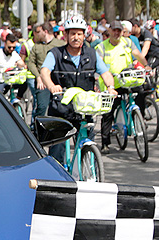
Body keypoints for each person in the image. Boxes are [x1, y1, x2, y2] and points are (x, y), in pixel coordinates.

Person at [39, 16, 116, 164]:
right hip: (61, 109)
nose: (76, 37)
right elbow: (45, 71)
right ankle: (59, 181)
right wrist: (51, 86)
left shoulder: (92, 54)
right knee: (57, 152)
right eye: (72, 33)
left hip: (84, 109)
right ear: (66, 35)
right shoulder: (55, 53)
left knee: (88, 146)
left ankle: (89, 173)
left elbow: (105, 73)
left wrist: (110, 87)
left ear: (84, 35)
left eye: (79, 34)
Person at [95, 20, 151, 153]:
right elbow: (98, 65)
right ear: (109, 31)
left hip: (127, 80)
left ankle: (140, 118)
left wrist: (146, 65)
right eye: (114, 30)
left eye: (119, 31)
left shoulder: (127, 42)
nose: (116, 33)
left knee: (141, 92)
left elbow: (138, 54)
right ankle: (105, 143)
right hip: (111, 84)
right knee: (108, 113)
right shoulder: (102, 47)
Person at [28, 21, 66, 119]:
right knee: (42, 107)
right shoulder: (37, 46)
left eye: (38, 32)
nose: (36, 35)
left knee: (60, 108)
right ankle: (37, 130)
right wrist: (38, 77)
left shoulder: (60, 44)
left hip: (58, 81)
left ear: (45, 31)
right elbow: (31, 63)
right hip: (42, 82)